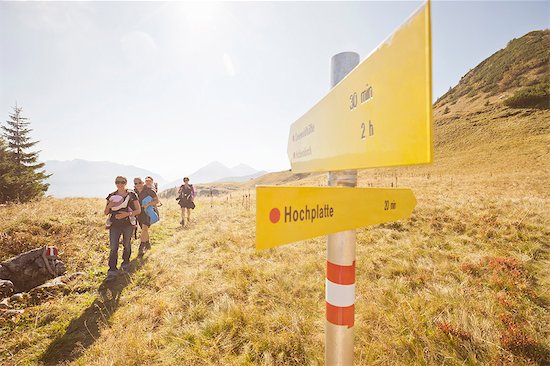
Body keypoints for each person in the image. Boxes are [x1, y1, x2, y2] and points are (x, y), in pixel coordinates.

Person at [104, 176, 140, 279]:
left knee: (127, 244)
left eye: (122, 182)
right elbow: (106, 212)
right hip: (114, 225)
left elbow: (138, 211)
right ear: (115, 183)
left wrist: (126, 214)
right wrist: (109, 205)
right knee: (113, 247)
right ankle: (112, 269)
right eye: (118, 182)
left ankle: (125, 263)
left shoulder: (132, 195)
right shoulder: (111, 196)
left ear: (126, 182)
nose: (120, 184)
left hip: (127, 224)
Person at [134, 177, 159, 257]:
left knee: (144, 229)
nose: (138, 185)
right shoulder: (133, 193)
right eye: (136, 183)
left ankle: (141, 247)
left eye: (139, 183)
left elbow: (156, 201)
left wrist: (147, 205)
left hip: (147, 212)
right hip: (139, 213)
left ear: (143, 183)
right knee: (144, 230)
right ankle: (147, 243)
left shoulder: (149, 191)